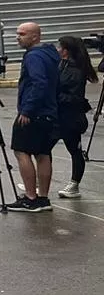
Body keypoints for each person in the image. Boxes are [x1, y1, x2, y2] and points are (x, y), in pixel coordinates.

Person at [10, 21, 60, 212]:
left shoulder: (33, 56)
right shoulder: (49, 54)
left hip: (34, 113)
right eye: (17, 33)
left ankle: (31, 198)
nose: (18, 37)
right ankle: (43, 198)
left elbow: (39, 83)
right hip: (49, 112)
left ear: (35, 36)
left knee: (21, 151)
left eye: (22, 34)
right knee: (43, 153)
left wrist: (27, 110)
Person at [55, 34, 94, 200]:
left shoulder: (75, 71)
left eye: (60, 47)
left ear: (66, 51)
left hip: (71, 118)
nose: (57, 50)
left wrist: (54, 96)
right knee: (42, 148)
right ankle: (36, 181)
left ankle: (74, 184)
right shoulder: (61, 65)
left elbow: (74, 97)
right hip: (59, 115)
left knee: (75, 150)